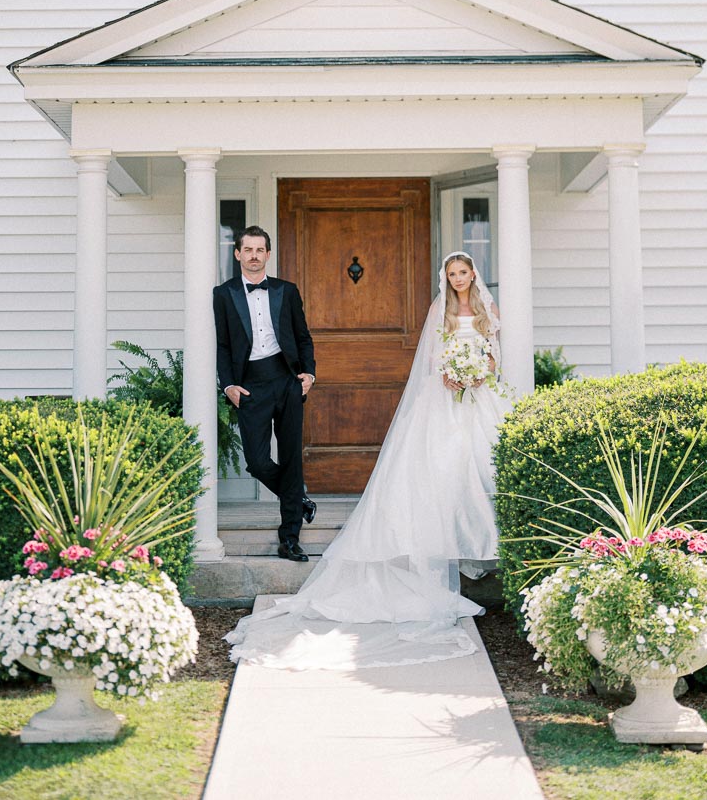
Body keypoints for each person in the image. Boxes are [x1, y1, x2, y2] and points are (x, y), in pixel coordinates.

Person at [226, 251, 510, 670]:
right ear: (446, 278)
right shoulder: (440, 308)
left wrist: (478, 372)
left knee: (481, 468)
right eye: (452, 274)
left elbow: (493, 353)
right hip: (445, 397)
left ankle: (482, 543)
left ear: (473, 274)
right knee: (442, 470)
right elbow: (432, 355)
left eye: (463, 273)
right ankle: (437, 549)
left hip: (479, 397)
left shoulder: (488, 307)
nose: (459, 279)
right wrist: (449, 373)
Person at [214, 225, 317, 561]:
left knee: (291, 459)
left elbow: (303, 337)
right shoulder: (223, 294)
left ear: (268, 255)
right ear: (238, 254)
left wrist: (309, 373)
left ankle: (289, 540)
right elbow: (223, 344)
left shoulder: (287, 291)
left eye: (260, 250)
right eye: (249, 250)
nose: (255, 256)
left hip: (286, 380)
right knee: (257, 462)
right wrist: (228, 385)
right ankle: (297, 499)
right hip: (250, 386)